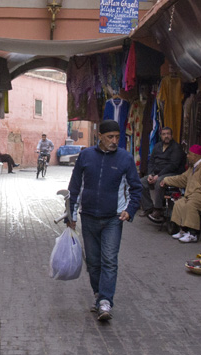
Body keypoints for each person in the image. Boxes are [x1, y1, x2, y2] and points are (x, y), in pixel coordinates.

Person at [66, 120, 142, 322]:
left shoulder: (125, 158)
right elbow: (75, 187)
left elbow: (136, 188)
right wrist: (70, 215)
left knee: (109, 260)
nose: (114, 141)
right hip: (88, 216)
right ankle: (99, 295)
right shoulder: (86, 156)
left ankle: (106, 301)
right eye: (110, 137)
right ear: (100, 136)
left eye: (118, 137)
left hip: (113, 219)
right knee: (93, 262)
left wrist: (130, 210)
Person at [161, 144, 201, 243]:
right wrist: (166, 180)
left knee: (191, 204)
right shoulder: (193, 168)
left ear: (195, 156)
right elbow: (182, 179)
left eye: (189, 154)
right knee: (180, 203)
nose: (187, 156)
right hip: (195, 196)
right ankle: (183, 230)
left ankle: (193, 233)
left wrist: (197, 193)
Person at [138, 127, 185, 223]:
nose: (166, 136)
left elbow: (173, 165)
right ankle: (148, 207)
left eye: (168, 134)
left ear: (171, 136)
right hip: (156, 173)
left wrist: (158, 176)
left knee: (160, 181)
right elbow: (151, 162)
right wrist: (151, 174)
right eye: (164, 134)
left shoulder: (176, 147)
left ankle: (158, 209)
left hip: (171, 173)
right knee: (141, 182)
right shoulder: (157, 146)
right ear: (161, 136)